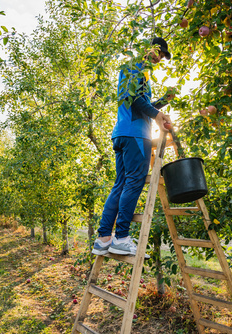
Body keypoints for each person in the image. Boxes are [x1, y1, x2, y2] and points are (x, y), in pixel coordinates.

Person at [92, 37, 174, 257]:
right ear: (149, 48)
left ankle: (103, 238)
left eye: (163, 56)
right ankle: (121, 237)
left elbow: (140, 104)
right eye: (159, 52)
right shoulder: (135, 67)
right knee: (134, 182)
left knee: (119, 184)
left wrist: (162, 102)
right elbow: (134, 99)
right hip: (136, 135)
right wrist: (157, 115)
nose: (159, 58)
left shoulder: (135, 70)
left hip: (122, 133)